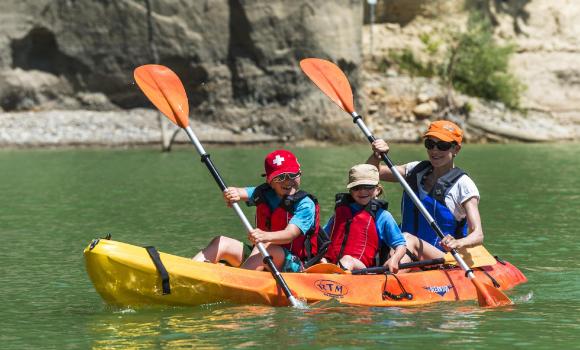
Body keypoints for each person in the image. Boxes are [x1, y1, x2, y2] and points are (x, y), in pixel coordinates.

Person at [192, 149, 329, 272]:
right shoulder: (264, 193)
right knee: (221, 242)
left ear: (300, 173)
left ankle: (239, 282)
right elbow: (241, 192)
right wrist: (233, 193)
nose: (287, 181)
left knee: (265, 247)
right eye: (280, 177)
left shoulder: (305, 204)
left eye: (292, 174)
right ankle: (192, 270)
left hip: (295, 264)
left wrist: (265, 237)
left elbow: (290, 233)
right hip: (261, 254)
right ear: (269, 181)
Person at [367, 120, 483, 260]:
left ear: (456, 149)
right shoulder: (415, 170)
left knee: (408, 240)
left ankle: (388, 275)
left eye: (442, 145)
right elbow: (369, 174)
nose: (435, 150)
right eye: (430, 144)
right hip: (403, 251)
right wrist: (376, 156)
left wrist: (458, 242)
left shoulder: (463, 185)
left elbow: (478, 234)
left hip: (443, 257)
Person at [323, 164, 407, 272]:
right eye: (356, 188)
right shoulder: (340, 213)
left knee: (347, 260)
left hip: (364, 270)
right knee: (323, 259)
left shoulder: (383, 216)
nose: (362, 191)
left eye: (368, 187)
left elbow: (401, 245)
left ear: (377, 189)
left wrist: (394, 259)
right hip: (334, 265)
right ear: (350, 191)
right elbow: (323, 238)